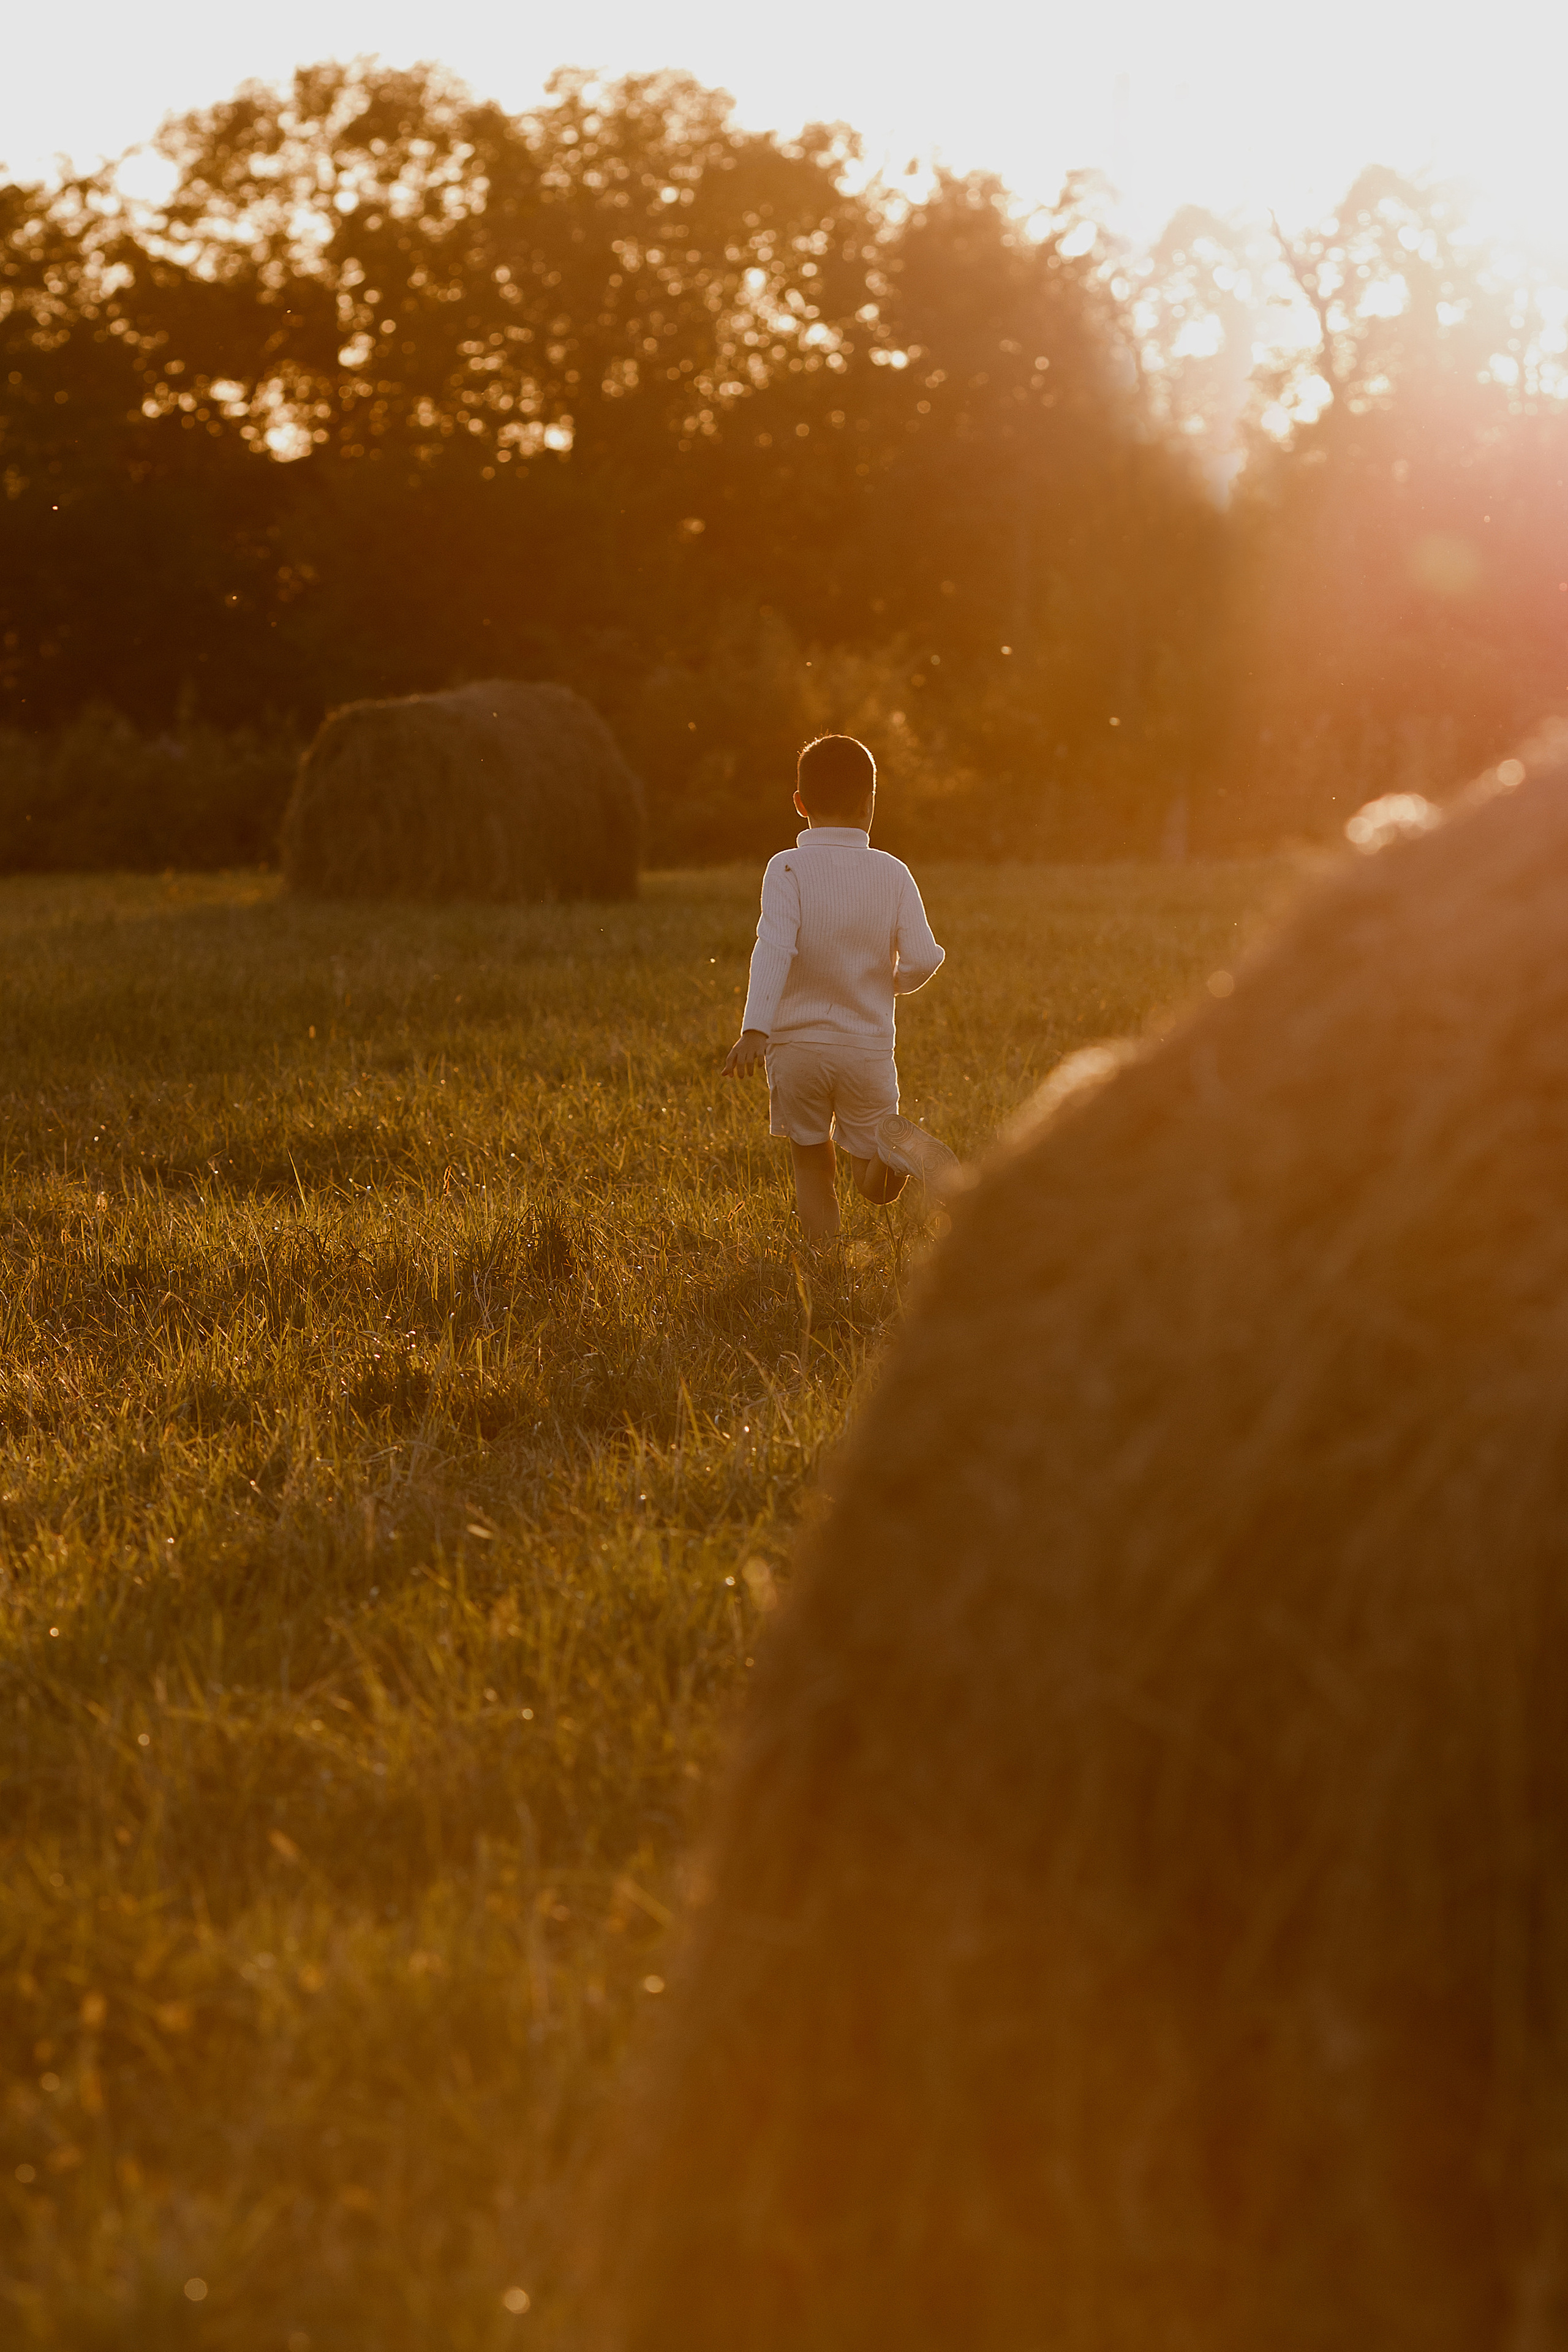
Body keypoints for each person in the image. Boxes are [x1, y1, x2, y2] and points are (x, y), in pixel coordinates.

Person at [722, 734, 956, 1239]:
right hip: (866, 1049)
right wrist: (892, 983)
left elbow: (774, 946)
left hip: (797, 1048)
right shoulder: (893, 873)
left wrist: (756, 1028)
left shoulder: (786, 867)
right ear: (871, 804)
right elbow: (923, 957)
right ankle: (896, 1155)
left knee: (812, 1166)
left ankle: (823, 1265)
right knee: (871, 1185)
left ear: (800, 803)